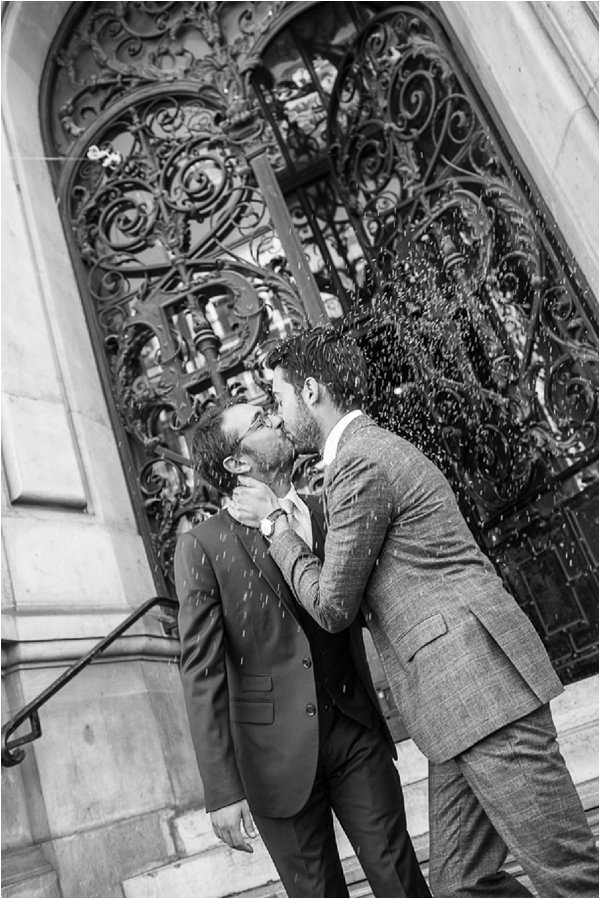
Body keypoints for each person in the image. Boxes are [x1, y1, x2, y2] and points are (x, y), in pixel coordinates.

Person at [230, 328, 599, 899]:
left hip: (479, 684)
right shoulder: (362, 458)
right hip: (452, 703)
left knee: (570, 873)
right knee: (462, 885)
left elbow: (332, 606)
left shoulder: (361, 462)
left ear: (310, 391)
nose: (277, 417)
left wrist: (274, 526)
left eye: (278, 399)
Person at [174, 398, 430, 898]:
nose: (276, 419)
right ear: (237, 463)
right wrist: (222, 790)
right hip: (273, 759)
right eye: (261, 421)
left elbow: (347, 601)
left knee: (399, 879)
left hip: (354, 730)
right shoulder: (203, 545)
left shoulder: (327, 507)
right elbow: (201, 674)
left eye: (271, 410)